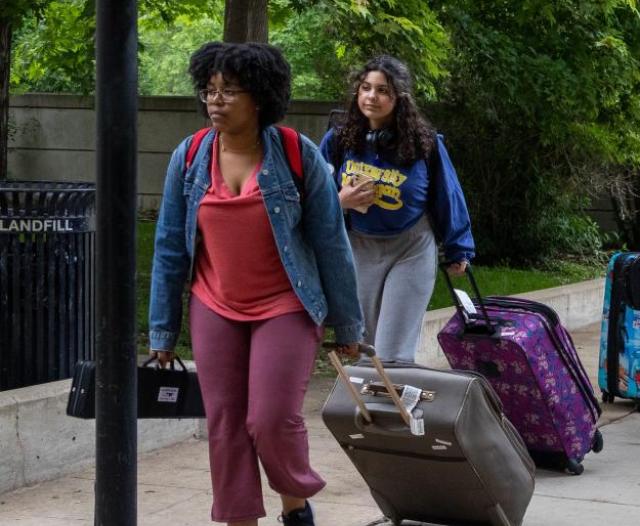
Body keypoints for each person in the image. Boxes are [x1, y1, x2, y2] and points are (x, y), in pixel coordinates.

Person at [148, 42, 364, 526]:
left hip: (284, 304)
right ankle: (240, 518)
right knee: (224, 424)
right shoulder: (189, 156)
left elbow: (331, 243)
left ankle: (294, 499)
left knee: (269, 421)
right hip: (214, 303)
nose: (215, 101)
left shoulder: (295, 154)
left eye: (230, 91)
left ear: (261, 98)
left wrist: (348, 324)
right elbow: (169, 247)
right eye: (210, 90)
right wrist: (162, 332)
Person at [320, 55, 476, 364]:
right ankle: (373, 411)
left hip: (411, 249)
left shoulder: (424, 143)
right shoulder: (338, 140)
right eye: (366, 88)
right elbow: (312, 200)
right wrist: (340, 201)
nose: (371, 97)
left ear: (399, 97)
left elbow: (448, 194)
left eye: (382, 90)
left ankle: (395, 407)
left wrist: (459, 249)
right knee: (364, 346)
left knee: (392, 351)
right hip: (358, 249)